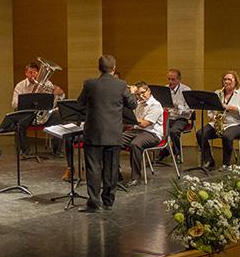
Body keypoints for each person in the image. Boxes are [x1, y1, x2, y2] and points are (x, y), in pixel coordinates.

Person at [77, 55, 137, 212]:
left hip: (93, 133)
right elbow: (132, 104)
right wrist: (132, 92)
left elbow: (80, 103)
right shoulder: (121, 85)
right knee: (111, 168)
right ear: (114, 68)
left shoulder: (89, 84)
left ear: (99, 68)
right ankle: (108, 202)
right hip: (113, 133)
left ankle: (94, 203)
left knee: (93, 168)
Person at [196, 71, 240, 169]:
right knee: (200, 134)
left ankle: (226, 164)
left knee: (227, 136)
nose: (227, 81)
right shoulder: (218, 93)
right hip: (219, 123)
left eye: (229, 79)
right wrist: (213, 117)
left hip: (238, 124)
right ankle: (209, 160)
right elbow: (210, 109)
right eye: (225, 79)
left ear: (236, 81)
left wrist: (229, 107)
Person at [11, 62, 65, 156]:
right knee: (18, 123)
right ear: (26, 73)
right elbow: (14, 104)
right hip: (28, 115)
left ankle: (57, 150)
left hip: (43, 115)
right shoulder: (20, 86)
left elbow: (60, 98)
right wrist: (28, 98)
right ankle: (25, 150)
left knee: (58, 118)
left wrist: (60, 93)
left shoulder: (47, 83)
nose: (33, 75)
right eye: (31, 72)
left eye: (35, 72)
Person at [121, 82, 164, 187]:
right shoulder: (138, 103)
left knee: (136, 144)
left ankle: (136, 178)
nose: (141, 96)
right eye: (138, 94)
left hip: (152, 134)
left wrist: (129, 118)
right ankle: (115, 175)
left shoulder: (155, 105)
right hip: (137, 131)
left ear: (149, 91)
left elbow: (145, 124)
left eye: (143, 93)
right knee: (114, 140)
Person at [156, 69, 192, 162]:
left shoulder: (186, 90)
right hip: (168, 117)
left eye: (173, 80)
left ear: (179, 79)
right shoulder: (165, 89)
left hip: (181, 118)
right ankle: (165, 150)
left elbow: (190, 110)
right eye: (169, 79)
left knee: (174, 131)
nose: (170, 82)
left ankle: (177, 153)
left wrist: (178, 106)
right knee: (159, 130)